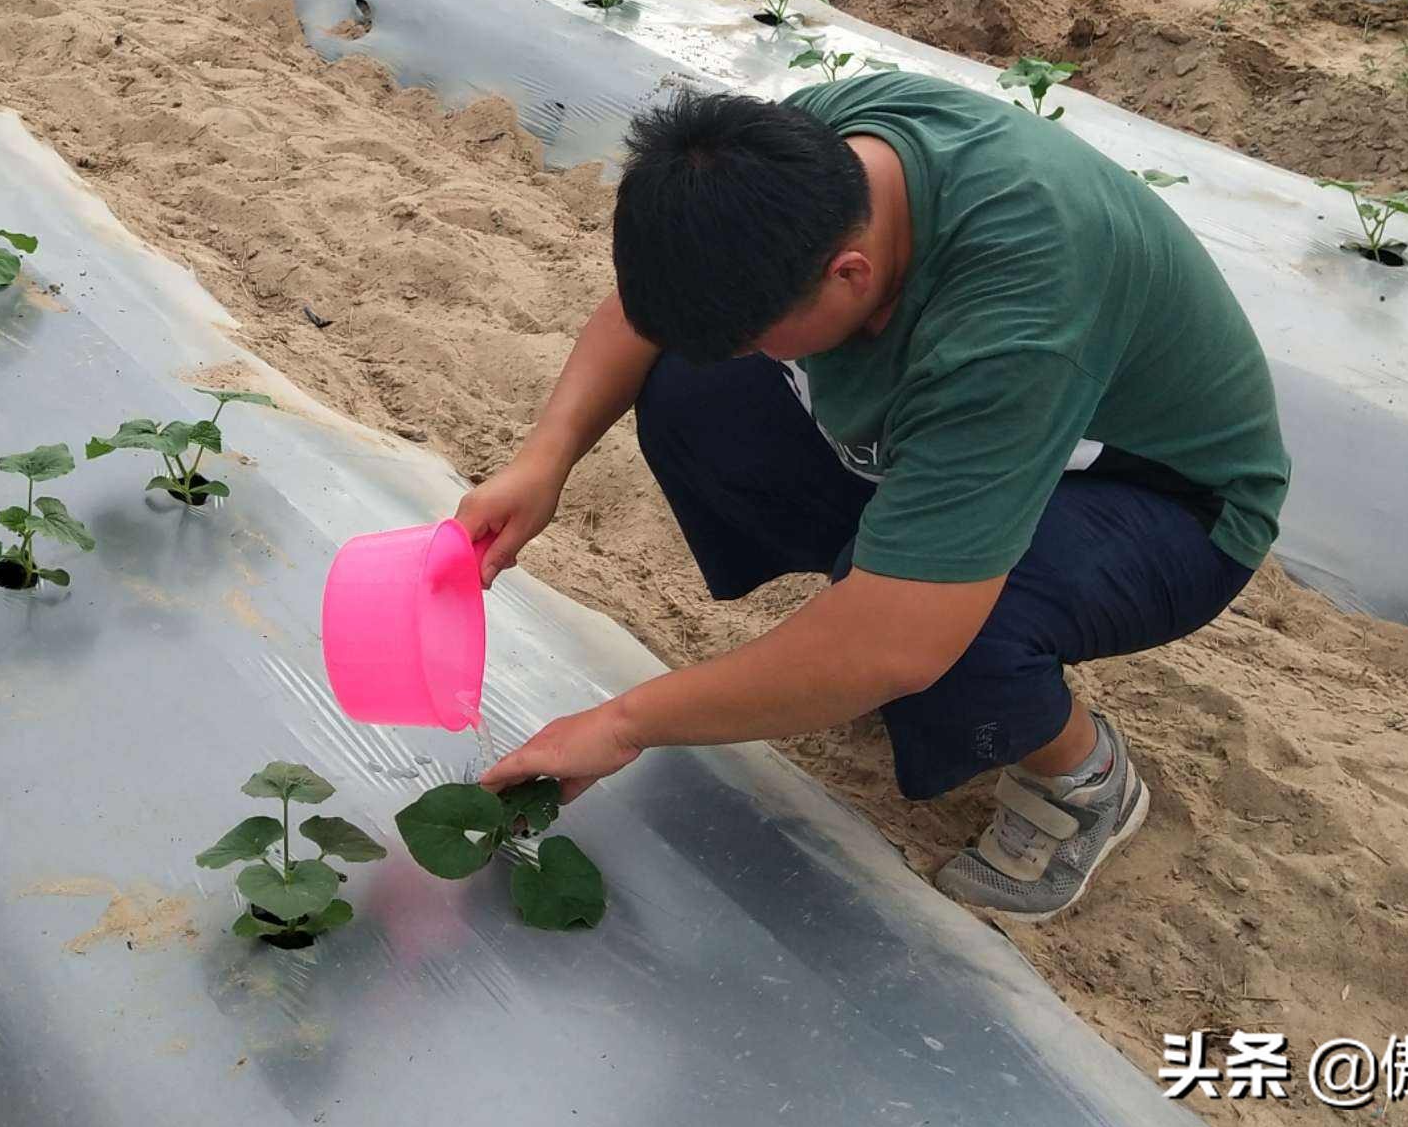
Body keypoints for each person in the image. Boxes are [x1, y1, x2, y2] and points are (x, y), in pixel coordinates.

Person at [463, 70, 1289, 920]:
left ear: (850, 274)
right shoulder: (808, 156)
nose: (749, 351)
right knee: (692, 394)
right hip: (1004, 431)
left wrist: (623, 724)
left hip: (1169, 502)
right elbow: (656, 312)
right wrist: (545, 460)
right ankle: (884, 589)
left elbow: (900, 644)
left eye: (757, 336)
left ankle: (1085, 779)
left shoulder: (1011, 322)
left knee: (947, 638)